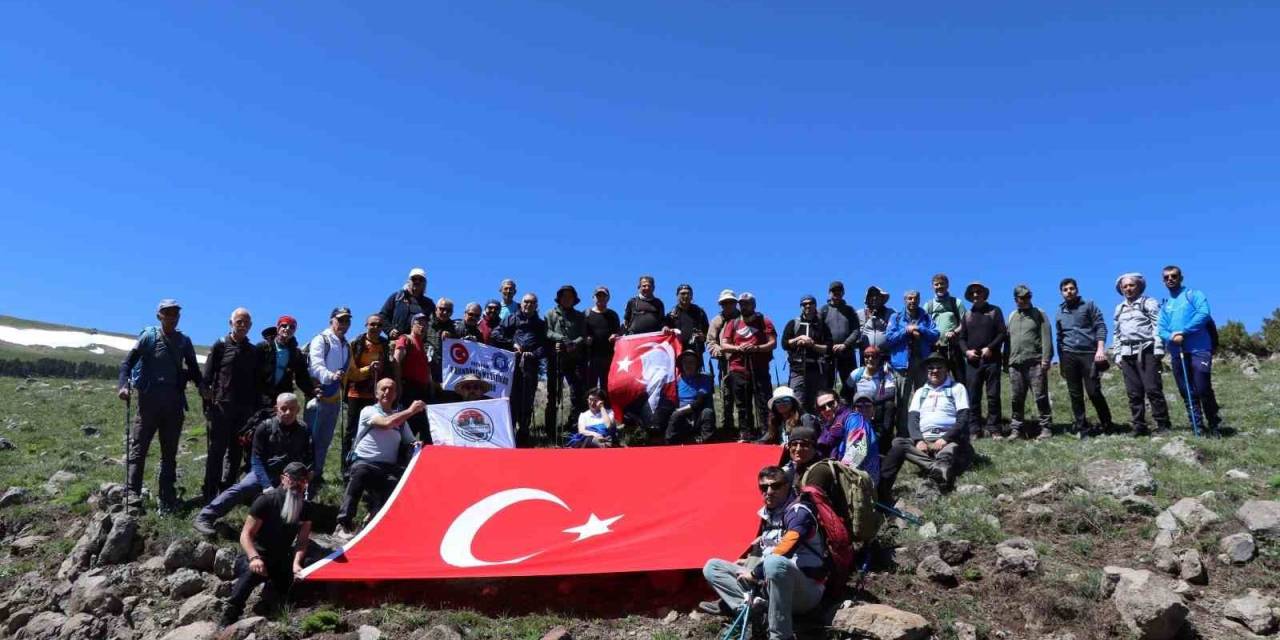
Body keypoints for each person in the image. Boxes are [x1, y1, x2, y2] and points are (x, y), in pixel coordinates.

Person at [700, 466, 826, 640]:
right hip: (771, 587)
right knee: (712, 566)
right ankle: (752, 611)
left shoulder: (799, 511)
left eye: (775, 486)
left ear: (787, 485)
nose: (769, 491)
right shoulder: (770, 515)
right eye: (763, 487)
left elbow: (788, 546)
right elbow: (771, 550)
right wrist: (749, 562)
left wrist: (754, 572)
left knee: (774, 562)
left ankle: (780, 635)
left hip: (805, 591)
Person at [118, 299, 205, 513]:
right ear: (159, 316)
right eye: (167, 313)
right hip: (148, 402)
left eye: (175, 313)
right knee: (139, 448)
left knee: (169, 453)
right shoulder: (148, 337)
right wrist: (123, 386)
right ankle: (132, 494)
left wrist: (204, 388)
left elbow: (193, 369)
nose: (172, 316)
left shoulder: (184, 341)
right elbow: (127, 363)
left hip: (174, 403)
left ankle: (166, 497)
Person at [195, 393, 313, 535]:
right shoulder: (264, 428)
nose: (288, 412)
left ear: (298, 409)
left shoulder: (304, 430)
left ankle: (290, 533)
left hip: (291, 476)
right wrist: (266, 486)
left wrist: (305, 477)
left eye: (292, 409)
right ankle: (205, 516)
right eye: (284, 408)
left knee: (296, 499)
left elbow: (309, 458)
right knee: (244, 486)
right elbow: (256, 460)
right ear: (276, 409)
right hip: (266, 472)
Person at [218, 461, 313, 628]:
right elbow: (246, 534)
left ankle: (273, 604)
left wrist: (296, 563)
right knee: (249, 574)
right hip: (257, 555)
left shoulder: (305, 508)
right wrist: (254, 557)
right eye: (294, 479)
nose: (298, 484)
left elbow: (303, 541)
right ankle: (229, 616)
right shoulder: (266, 501)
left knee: (295, 587)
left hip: (283, 558)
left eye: (303, 481)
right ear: (284, 478)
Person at [335, 378, 424, 540]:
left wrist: (416, 444)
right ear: (376, 393)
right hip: (364, 462)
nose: (387, 392)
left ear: (396, 394)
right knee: (360, 473)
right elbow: (385, 423)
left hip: (388, 468)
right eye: (383, 389)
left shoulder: (401, 420)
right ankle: (343, 523)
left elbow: (410, 441)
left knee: (397, 485)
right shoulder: (368, 410)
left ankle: (372, 522)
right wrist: (411, 411)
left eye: (391, 389)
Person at [877, 354, 973, 502]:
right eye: (931, 368)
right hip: (925, 442)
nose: (934, 371)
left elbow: (963, 418)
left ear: (947, 369)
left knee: (950, 449)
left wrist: (945, 438)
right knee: (898, 443)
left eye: (939, 367)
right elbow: (912, 418)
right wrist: (918, 440)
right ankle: (937, 467)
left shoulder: (957, 388)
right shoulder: (921, 392)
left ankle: (937, 468)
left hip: (949, 440)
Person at [201, 308, 259, 504]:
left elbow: (256, 382)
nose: (242, 325)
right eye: (238, 321)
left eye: (246, 322)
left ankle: (228, 493)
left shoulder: (253, 351)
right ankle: (209, 492)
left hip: (244, 411)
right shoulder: (219, 346)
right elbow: (206, 379)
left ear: (250, 326)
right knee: (216, 451)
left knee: (235, 453)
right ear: (231, 323)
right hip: (221, 408)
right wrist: (208, 403)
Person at [1157, 265, 1223, 434]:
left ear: (1181, 277)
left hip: (1199, 348)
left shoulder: (1194, 295)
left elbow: (1204, 313)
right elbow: (1161, 329)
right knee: (1186, 389)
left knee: (1202, 387)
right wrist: (1171, 337)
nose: (1170, 279)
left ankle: (1214, 422)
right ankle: (1197, 425)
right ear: (1163, 281)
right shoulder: (1165, 305)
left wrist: (1183, 331)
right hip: (1177, 351)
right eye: (1166, 277)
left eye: (1174, 276)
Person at [1112, 273, 1172, 437]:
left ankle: (1163, 423)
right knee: (1134, 392)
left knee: (1152, 388)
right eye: (1125, 286)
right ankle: (1139, 426)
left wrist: (1159, 347)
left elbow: (1157, 325)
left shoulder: (1149, 303)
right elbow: (1117, 333)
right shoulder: (1119, 308)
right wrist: (1117, 354)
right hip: (1126, 353)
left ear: (1138, 286)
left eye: (1131, 285)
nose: (1128, 289)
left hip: (1146, 350)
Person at [1055, 278, 1115, 438]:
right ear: (1061, 293)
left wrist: (1100, 349)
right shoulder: (1059, 311)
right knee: (1075, 394)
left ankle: (1108, 424)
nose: (1069, 291)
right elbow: (1059, 338)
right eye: (1065, 289)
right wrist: (1061, 362)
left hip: (1089, 353)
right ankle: (1082, 428)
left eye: (1071, 288)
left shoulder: (1089, 305)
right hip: (1069, 355)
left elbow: (1101, 326)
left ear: (1077, 289)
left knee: (1093, 391)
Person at [719, 293, 777, 442]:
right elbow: (724, 345)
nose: (744, 306)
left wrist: (756, 348)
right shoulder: (733, 323)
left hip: (760, 368)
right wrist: (739, 348)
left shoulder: (764, 321)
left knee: (763, 402)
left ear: (754, 305)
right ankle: (746, 433)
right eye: (742, 304)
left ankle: (767, 432)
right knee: (742, 404)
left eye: (747, 303)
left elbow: (773, 343)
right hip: (738, 368)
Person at [304, 307, 351, 496]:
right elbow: (315, 366)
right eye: (340, 320)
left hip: (335, 397)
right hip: (318, 396)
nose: (344, 324)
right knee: (311, 438)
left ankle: (318, 472)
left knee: (325, 439)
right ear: (332, 320)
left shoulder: (346, 345)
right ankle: (304, 474)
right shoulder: (321, 339)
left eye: (347, 321)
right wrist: (330, 376)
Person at [493, 293, 547, 446]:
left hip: (531, 366)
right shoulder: (511, 318)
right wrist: (512, 344)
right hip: (511, 366)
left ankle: (523, 435)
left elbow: (546, 345)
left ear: (536, 305)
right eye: (526, 302)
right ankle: (508, 435)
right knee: (511, 400)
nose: (528, 305)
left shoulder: (540, 324)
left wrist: (534, 354)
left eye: (532, 302)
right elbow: (496, 334)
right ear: (521, 303)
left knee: (527, 400)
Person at [956, 282, 1007, 437]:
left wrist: (990, 348)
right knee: (973, 396)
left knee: (993, 395)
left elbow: (1002, 333)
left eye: (978, 292)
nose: (976, 295)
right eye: (972, 293)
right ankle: (974, 429)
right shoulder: (967, 315)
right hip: (973, 362)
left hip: (992, 360)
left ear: (985, 294)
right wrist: (967, 352)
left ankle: (994, 428)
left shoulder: (994, 311)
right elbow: (961, 338)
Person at [884, 290, 939, 433]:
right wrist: (906, 331)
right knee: (902, 399)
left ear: (919, 300)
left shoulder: (925, 317)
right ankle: (903, 432)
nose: (912, 301)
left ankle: (921, 430)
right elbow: (889, 338)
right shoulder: (896, 317)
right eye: (909, 298)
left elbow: (935, 335)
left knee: (923, 397)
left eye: (915, 298)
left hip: (921, 362)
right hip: (902, 364)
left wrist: (919, 328)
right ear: (904, 300)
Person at [1004, 285, 1054, 440]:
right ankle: (1016, 429)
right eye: (1022, 297)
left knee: (1040, 396)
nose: (1025, 300)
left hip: (1035, 362)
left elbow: (1046, 336)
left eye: (1028, 297)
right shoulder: (1012, 316)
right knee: (1016, 397)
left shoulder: (1039, 313)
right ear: (1016, 299)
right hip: (1015, 364)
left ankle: (1046, 428)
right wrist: (1006, 361)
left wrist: (1046, 358)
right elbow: (1008, 340)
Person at [342, 315, 391, 475]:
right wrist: (368, 369)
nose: (376, 327)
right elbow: (350, 369)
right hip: (356, 392)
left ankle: (366, 466)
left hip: (375, 394)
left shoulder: (385, 344)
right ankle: (346, 467)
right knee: (352, 431)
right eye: (372, 324)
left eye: (379, 325)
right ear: (365, 325)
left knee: (371, 431)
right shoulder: (356, 343)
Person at [545, 285, 589, 439]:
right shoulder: (550, 313)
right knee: (553, 395)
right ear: (559, 298)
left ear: (574, 299)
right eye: (564, 296)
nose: (567, 299)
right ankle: (550, 431)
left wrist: (574, 344)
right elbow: (548, 331)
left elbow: (583, 335)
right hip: (556, 358)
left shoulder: (579, 316)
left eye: (570, 296)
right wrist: (561, 339)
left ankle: (574, 426)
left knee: (577, 393)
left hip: (575, 359)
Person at [781, 295, 834, 413]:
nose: (808, 306)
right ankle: (797, 430)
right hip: (797, 371)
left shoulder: (822, 326)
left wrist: (812, 345)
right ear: (801, 307)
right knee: (797, 404)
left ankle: (819, 430)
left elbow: (829, 348)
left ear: (815, 305)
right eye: (804, 304)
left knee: (819, 403)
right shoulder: (793, 324)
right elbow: (784, 344)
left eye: (810, 303)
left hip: (817, 371)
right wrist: (798, 339)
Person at [814, 390, 879, 483]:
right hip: (842, 476)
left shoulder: (854, 419)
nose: (827, 408)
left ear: (838, 402)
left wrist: (836, 474)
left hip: (860, 480)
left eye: (831, 403)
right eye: (822, 407)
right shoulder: (828, 429)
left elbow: (858, 451)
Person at [255, 316, 316, 410]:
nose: (287, 329)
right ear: (278, 328)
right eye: (284, 326)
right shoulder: (263, 347)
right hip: (260, 397)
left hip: (282, 399)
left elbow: (302, 377)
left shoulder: (296, 353)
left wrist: (312, 393)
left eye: (292, 327)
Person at [844, 346, 897, 451]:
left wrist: (871, 401)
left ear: (879, 359)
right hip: (858, 407)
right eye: (867, 356)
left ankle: (885, 439)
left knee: (890, 405)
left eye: (874, 356)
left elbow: (890, 392)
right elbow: (845, 392)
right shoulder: (857, 373)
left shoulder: (885, 373)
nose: (870, 359)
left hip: (876, 407)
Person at [392, 313, 433, 438]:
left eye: (425, 324)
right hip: (409, 389)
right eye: (419, 323)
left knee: (425, 428)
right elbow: (396, 361)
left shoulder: (422, 345)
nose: (423, 327)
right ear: (412, 325)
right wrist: (398, 385)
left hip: (422, 390)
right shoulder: (405, 339)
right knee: (409, 429)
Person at [706, 289, 741, 435]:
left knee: (742, 395)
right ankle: (728, 428)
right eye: (725, 303)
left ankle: (746, 426)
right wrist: (717, 351)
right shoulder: (717, 321)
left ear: (735, 303)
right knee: (726, 396)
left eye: (731, 302)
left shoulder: (744, 318)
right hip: (725, 364)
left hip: (742, 362)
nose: (728, 305)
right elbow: (710, 341)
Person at [818, 281, 862, 390]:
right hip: (828, 355)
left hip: (847, 353)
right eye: (834, 291)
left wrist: (845, 345)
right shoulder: (823, 310)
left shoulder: (849, 310)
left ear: (843, 293)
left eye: (839, 291)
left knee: (850, 386)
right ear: (829, 293)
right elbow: (818, 331)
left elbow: (856, 330)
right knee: (826, 386)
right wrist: (828, 346)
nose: (836, 293)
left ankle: (849, 406)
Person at [666, 351, 716, 444]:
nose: (688, 365)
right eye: (685, 362)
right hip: (680, 416)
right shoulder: (676, 380)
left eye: (692, 362)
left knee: (707, 412)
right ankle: (670, 443)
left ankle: (707, 442)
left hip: (697, 412)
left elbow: (699, 401)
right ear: (681, 365)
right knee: (673, 415)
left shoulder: (705, 379)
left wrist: (680, 411)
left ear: (697, 365)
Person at [924, 274, 967, 381]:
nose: (939, 286)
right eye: (936, 284)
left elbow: (965, 323)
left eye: (942, 284)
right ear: (932, 287)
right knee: (938, 379)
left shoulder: (956, 303)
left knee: (960, 378)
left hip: (954, 347)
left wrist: (955, 332)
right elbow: (923, 325)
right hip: (935, 348)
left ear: (947, 285)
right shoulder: (928, 305)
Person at [378, 268, 435, 340]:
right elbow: (382, 316)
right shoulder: (397, 297)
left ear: (425, 283)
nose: (417, 282)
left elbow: (437, 322)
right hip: (397, 343)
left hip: (419, 345)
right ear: (408, 281)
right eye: (414, 279)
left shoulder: (429, 303)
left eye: (421, 279)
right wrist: (389, 330)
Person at [583, 286, 622, 394]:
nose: (600, 298)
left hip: (609, 357)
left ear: (608, 298)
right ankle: (590, 410)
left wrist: (615, 336)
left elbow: (618, 333)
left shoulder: (613, 315)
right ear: (593, 298)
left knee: (608, 387)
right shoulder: (586, 314)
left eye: (603, 296)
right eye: (598, 296)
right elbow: (581, 335)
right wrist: (586, 339)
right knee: (590, 387)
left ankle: (608, 410)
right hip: (591, 357)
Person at [668, 284, 710, 355]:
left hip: (695, 352)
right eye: (683, 294)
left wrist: (703, 337)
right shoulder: (671, 315)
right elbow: (666, 333)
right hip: (677, 352)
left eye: (688, 294)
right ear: (677, 296)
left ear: (692, 296)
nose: (686, 296)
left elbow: (708, 332)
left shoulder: (699, 312)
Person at [857, 286, 895, 362]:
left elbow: (895, 332)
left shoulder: (891, 313)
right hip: (866, 356)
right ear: (867, 299)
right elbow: (855, 333)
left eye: (877, 295)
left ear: (882, 298)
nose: (874, 298)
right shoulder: (860, 314)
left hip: (885, 355)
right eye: (871, 296)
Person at [425, 298, 456, 383]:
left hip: (446, 373)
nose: (445, 312)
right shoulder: (425, 323)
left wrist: (452, 337)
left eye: (448, 310)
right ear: (436, 309)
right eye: (442, 309)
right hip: (426, 370)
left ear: (452, 313)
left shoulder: (455, 328)